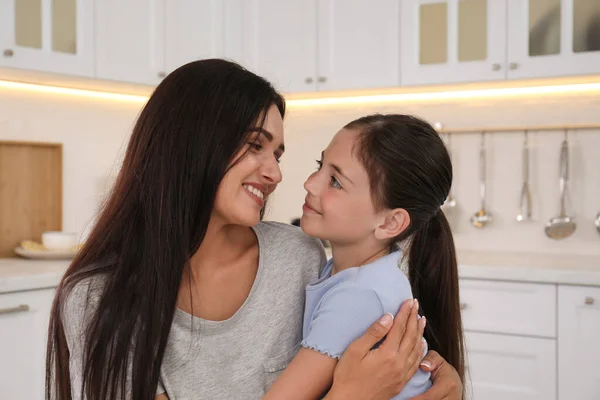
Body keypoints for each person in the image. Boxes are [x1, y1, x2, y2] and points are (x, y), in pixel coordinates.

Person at [45, 59, 463, 400]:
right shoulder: (97, 297)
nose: (277, 173)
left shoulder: (298, 257)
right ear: (191, 143)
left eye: (277, 153)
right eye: (255, 145)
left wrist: (443, 380)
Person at [264, 114, 465, 400]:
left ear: (390, 223)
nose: (310, 184)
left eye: (335, 181)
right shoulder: (368, 277)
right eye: (320, 166)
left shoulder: (357, 296)